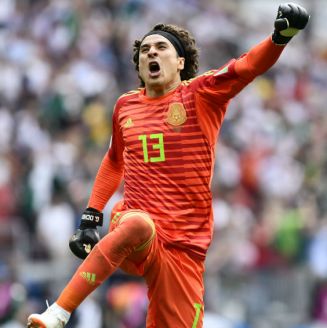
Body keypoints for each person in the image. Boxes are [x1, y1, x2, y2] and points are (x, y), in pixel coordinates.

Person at [27, 3, 309, 328]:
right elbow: (114, 160)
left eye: (161, 48)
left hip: (184, 244)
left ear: (180, 62)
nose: (151, 54)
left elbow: (246, 67)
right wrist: (91, 215)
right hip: (137, 227)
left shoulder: (201, 95)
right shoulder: (125, 106)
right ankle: (59, 313)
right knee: (136, 224)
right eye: (145, 50)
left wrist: (278, 38)